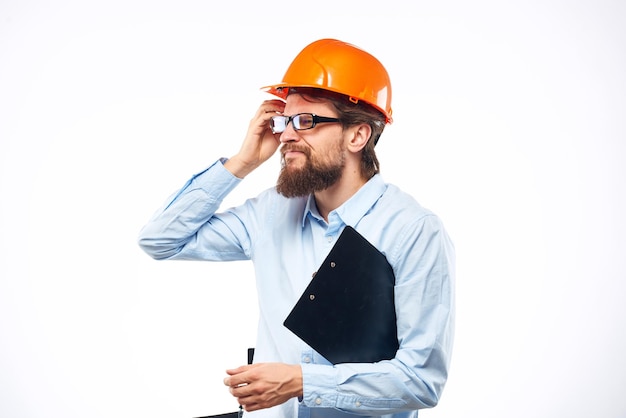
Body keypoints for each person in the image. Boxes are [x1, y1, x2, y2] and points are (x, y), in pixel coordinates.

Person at [138, 38, 455, 418]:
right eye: (284, 120)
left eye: (306, 121)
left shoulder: (413, 231)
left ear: (357, 136)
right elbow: (160, 239)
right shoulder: (273, 211)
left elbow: (421, 381)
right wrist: (242, 162)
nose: (286, 134)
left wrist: (301, 382)